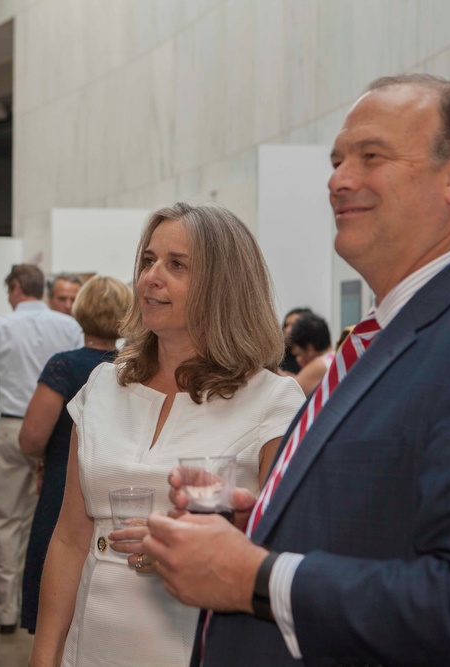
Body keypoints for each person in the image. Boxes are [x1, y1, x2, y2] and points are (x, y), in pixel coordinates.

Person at [144, 74, 450, 666]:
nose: (339, 179)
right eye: (337, 160)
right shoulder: (381, 339)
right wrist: (260, 520)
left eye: (371, 156)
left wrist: (257, 577)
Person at [29, 203, 304, 666]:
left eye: (176, 265)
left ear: (224, 287)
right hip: (91, 642)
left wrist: (194, 554)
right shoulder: (102, 386)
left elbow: (285, 549)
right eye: (148, 260)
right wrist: (44, 656)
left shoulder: (272, 401)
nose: (150, 277)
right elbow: (69, 538)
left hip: (195, 642)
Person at [0, 263, 82, 634]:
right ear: (41, 291)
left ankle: (7, 610)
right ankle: (39, 603)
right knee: (45, 522)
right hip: (59, 430)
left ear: (14, 289)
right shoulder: (68, 326)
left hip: (13, 428)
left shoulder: (1, 326)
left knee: (6, 520)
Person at [18, 275, 131, 634]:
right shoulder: (135, 366)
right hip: (116, 489)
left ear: (80, 311)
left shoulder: (64, 366)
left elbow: (32, 438)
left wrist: (40, 457)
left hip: (62, 488)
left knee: (57, 578)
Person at [287, 312, 333, 394]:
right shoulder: (338, 355)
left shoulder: (320, 365)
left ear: (309, 349)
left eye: (298, 355)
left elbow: (291, 392)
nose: (297, 360)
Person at [278, 307, 312, 374]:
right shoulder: (280, 356)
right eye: (286, 325)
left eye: (294, 325)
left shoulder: (315, 356)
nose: (288, 330)